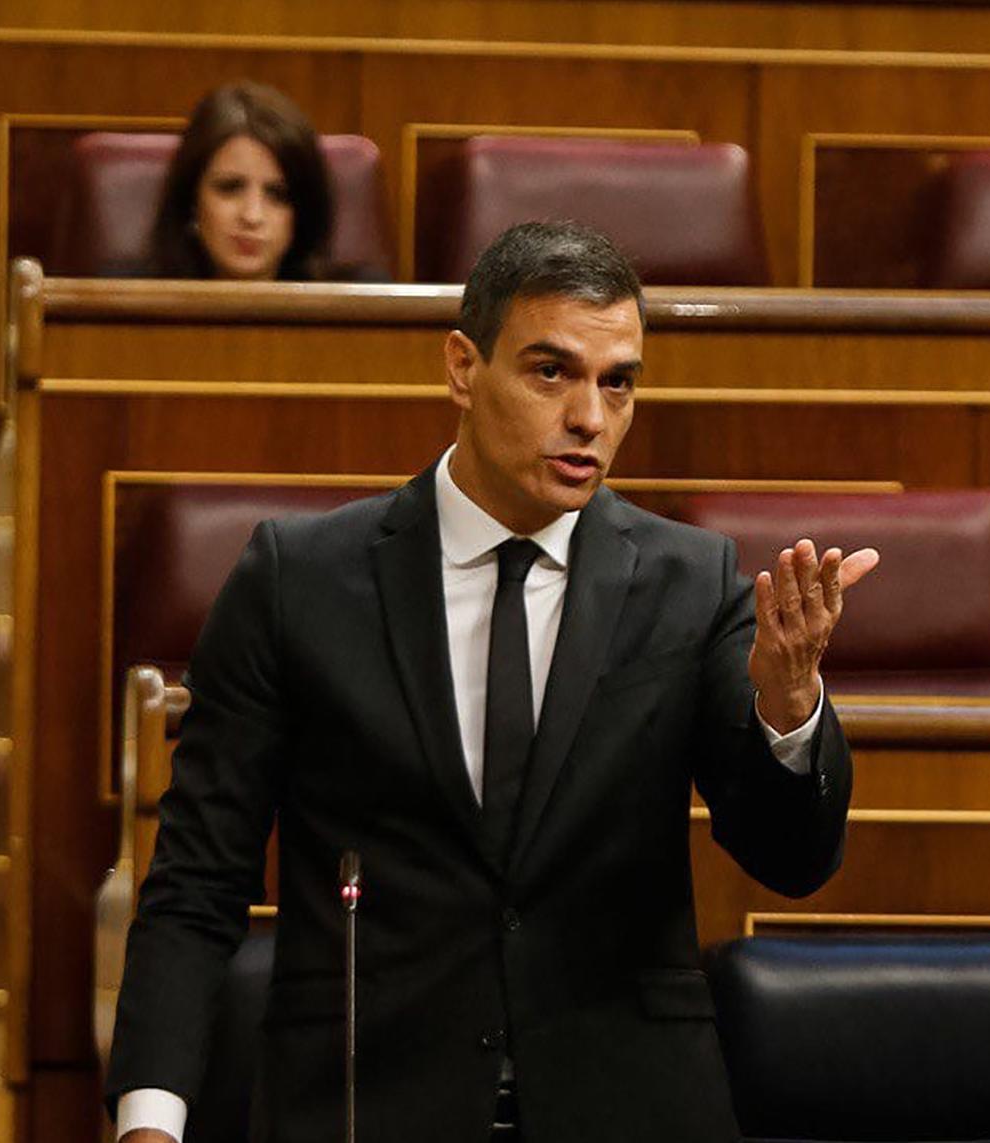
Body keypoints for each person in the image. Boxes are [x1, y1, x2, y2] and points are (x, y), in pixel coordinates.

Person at [107, 220, 877, 1143]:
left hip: (623, 1104)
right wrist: (149, 1118)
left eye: (617, 381)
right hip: (366, 1103)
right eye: (552, 371)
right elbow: (197, 877)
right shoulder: (298, 579)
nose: (590, 417)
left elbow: (793, 860)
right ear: (463, 367)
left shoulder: (693, 583)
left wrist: (790, 709)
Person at [144, 80, 336, 281]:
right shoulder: (127, 306)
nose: (252, 216)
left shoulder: (356, 308)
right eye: (230, 188)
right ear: (191, 199)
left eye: (278, 195)